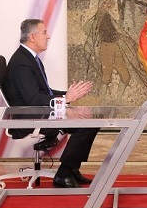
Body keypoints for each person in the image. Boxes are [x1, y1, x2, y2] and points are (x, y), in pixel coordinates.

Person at [5, 18, 98, 189]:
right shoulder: (22, 63)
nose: (48, 36)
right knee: (86, 124)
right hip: (29, 119)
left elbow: (44, 92)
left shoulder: (30, 58)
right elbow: (33, 100)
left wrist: (68, 95)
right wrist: (66, 99)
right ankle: (63, 174)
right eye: (44, 32)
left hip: (40, 112)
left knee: (91, 122)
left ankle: (71, 169)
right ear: (32, 37)